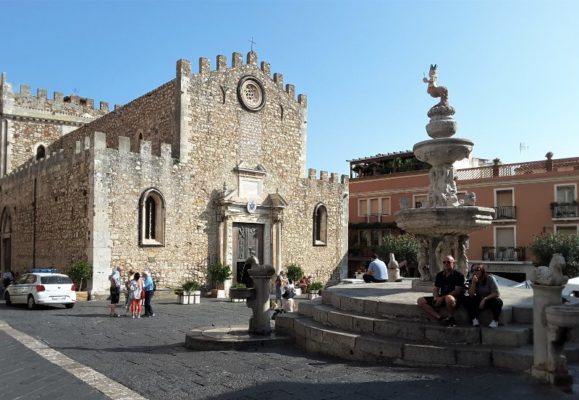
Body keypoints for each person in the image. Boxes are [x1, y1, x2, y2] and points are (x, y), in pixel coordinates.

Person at [417, 255, 465, 326]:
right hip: (442, 297)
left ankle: (451, 317)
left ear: (453, 263)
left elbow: (457, 291)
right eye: (444, 262)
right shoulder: (439, 275)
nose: (446, 264)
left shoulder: (459, 275)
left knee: (448, 298)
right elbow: (436, 288)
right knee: (420, 301)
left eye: (448, 262)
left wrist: (442, 298)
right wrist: (436, 297)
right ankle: (439, 317)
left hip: (454, 299)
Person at [466, 264, 503, 328]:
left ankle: (495, 320)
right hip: (479, 299)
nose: (475, 272)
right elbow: (471, 295)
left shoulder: (489, 278)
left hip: (489, 299)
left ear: (482, 270)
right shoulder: (472, 280)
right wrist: (473, 283)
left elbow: (496, 293)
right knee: (467, 299)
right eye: (473, 270)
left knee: (498, 301)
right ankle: (474, 319)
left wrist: (485, 299)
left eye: (477, 269)